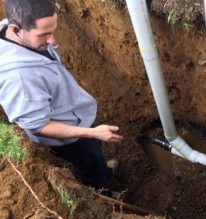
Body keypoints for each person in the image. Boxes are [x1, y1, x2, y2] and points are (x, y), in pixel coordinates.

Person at [0, 0, 123, 189]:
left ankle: (99, 171)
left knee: (93, 153)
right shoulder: (19, 79)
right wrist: (91, 133)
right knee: (90, 162)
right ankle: (100, 187)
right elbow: (38, 126)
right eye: (43, 35)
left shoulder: (13, 33)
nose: (53, 41)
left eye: (53, 31)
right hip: (69, 138)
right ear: (16, 28)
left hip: (73, 118)